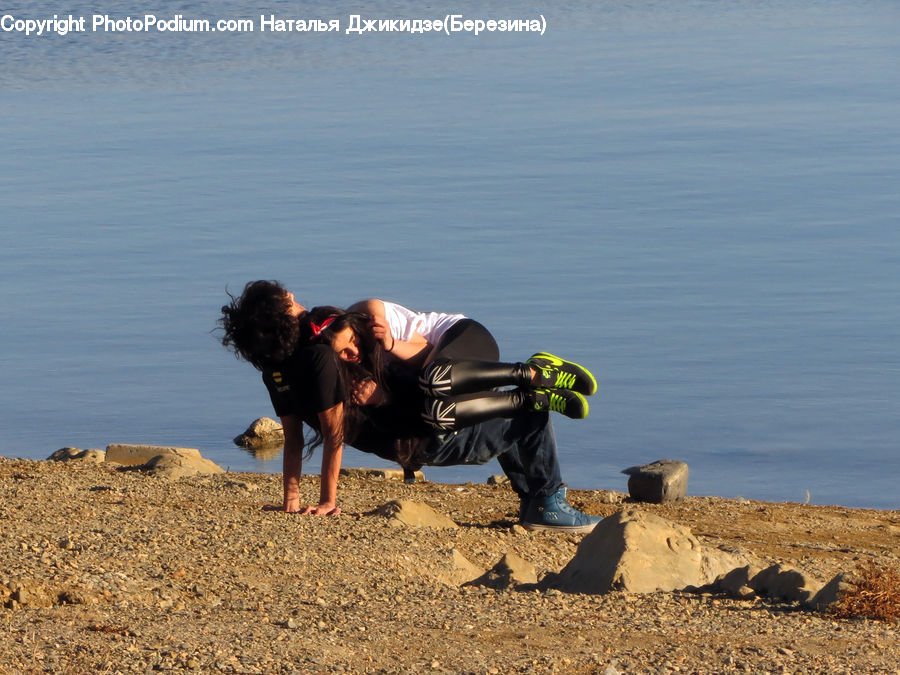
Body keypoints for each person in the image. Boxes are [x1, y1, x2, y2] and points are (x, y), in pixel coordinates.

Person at [219, 280, 601, 532]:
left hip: (415, 435)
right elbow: (333, 435)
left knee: (489, 407)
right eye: (288, 300)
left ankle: (535, 500)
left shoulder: (279, 371)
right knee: (528, 414)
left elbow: (294, 438)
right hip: (425, 434)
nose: (295, 299)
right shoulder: (321, 357)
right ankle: (547, 500)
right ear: (285, 313)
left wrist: (291, 500)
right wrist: (328, 501)